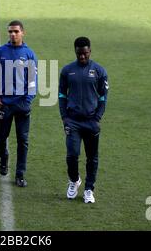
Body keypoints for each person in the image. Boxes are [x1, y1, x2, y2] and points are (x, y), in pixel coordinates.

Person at [58, 37, 109, 203]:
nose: (82, 57)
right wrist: (64, 117)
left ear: (90, 52)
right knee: (72, 155)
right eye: (79, 54)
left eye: (85, 53)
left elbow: (103, 97)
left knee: (92, 157)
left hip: (91, 121)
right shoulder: (67, 71)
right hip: (72, 121)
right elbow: (61, 95)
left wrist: (97, 117)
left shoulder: (100, 71)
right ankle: (74, 181)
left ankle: (89, 189)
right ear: (75, 52)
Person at [0, 20, 37, 187]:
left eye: (16, 31)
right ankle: (4, 157)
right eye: (10, 31)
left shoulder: (29, 54)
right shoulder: (0, 52)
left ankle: (20, 174)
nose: (12, 34)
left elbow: (32, 81)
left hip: (22, 104)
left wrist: (28, 100)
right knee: (0, 138)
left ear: (23, 32)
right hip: (4, 104)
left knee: (23, 140)